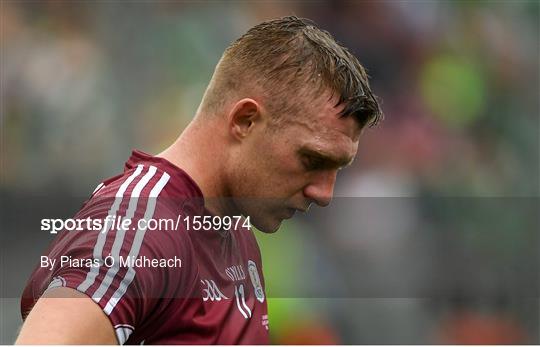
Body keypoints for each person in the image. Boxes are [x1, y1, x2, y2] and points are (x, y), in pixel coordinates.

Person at [16, 16, 382, 344]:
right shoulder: (141, 229)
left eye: (339, 167)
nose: (325, 193)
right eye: (311, 159)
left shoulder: (236, 228)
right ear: (245, 121)